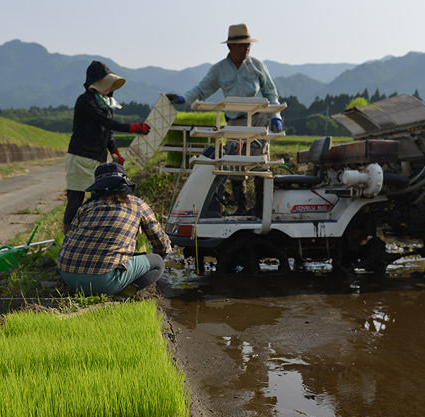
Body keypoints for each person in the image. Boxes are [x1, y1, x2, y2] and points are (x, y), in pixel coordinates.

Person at [166, 24, 284, 215]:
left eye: (248, 45)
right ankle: (242, 206)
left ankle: (261, 207)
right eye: (242, 45)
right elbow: (202, 89)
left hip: (257, 119)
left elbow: (270, 91)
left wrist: (275, 116)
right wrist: (184, 99)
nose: (247, 49)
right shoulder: (219, 70)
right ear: (230, 47)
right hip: (234, 122)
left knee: (259, 160)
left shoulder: (257, 66)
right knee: (235, 162)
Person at [56, 162, 172, 297]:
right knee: (157, 263)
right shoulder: (137, 204)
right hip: (103, 281)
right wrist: (161, 255)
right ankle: (121, 294)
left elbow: (67, 240)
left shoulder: (87, 207)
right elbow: (161, 243)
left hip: (68, 275)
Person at [63, 60, 151, 234]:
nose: (110, 89)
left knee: (97, 199)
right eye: (107, 84)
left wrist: (115, 151)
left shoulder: (105, 103)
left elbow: (107, 131)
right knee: (76, 199)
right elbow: (106, 122)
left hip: (97, 159)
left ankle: (89, 233)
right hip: (81, 156)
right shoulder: (85, 101)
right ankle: (68, 237)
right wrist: (133, 128)